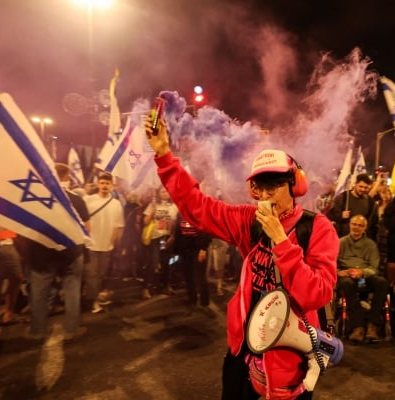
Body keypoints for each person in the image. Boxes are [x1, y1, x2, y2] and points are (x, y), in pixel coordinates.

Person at [145, 116, 338, 400]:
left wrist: (282, 243)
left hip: (290, 357)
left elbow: (317, 294)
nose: (265, 194)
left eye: (274, 184)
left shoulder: (317, 228)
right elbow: (198, 207)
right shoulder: (249, 221)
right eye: (260, 186)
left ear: (294, 185)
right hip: (243, 349)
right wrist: (164, 155)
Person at [25, 163, 90, 341]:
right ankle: (72, 329)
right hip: (71, 252)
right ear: (67, 177)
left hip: (41, 253)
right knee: (72, 290)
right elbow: (87, 229)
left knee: (39, 293)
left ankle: (37, 331)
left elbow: (27, 229)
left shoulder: (35, 199)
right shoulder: (76, 199)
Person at [336, 214, 388, 343]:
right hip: (346, 276)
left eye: (360, 225)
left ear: (365, 228)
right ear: (349, 225)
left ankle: (373, 325)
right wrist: (339, 272)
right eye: (354, 224)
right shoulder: (340, 242)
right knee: (347, 284)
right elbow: (331, 263)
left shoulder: (370, 245)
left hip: (363, 276)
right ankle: (357, 326)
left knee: (382, 282)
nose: (356, 227)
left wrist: (362, 272)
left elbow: (374, 268)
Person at [84, 172, 124, 313]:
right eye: (102, 183)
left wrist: (112, 244)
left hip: (106, 246)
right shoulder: (88, 200)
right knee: (92, 275)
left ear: (112, 186)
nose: (104, 186)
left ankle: (93, 297)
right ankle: (94, 301)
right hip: (91, 244)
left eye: (107, 183)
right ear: (98, 184)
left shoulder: (116, 205)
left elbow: (118, 226)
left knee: (100, 274)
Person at [141, 186, 178, 298]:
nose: (165, 193)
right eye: (162, 191)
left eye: (167, 191)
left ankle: (166, 286)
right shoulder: (153, 205)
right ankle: (146, 288)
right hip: (155, 238)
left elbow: (175, 223)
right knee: (152, 263)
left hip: (166, 238)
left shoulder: (174, 206)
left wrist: (173, 236)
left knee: (166, 263)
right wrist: (152, 212)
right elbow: (145, 221)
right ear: (158, 193)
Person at [173, 214, 213, 314]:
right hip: (185, 250)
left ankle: (204, 303)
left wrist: (203, 249)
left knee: (201, 277)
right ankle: (192, 299)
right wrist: (176, 250)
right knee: (188, 276)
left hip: (198, 249)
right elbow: (178, 232)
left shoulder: (200, 212)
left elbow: (207, 231)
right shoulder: (180, 214)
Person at [327, 173, 376, 238]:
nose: (363, 189)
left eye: (365, 187)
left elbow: (372, 222)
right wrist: (341, 215)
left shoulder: (370, 201)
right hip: (343, 238)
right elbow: (330, 216)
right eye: (361, 186)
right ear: (355, 184)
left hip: (361, 239)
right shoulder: (343, 198)